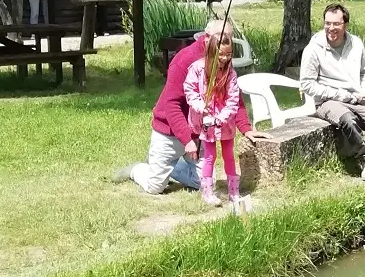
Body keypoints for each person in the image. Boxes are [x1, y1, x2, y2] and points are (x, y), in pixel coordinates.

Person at [112, 19, 272, 194]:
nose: (226, 46)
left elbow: (234, 98)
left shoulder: (223, 57)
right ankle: (138, 168)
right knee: (155, 187)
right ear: (207, 38)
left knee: (203, 183)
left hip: (199, 132)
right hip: (170, 132)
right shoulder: (184, 60)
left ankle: (171, 167)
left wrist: (246, 129)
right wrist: (186, 140)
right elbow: (171, 104)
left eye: (230, 39)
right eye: (222, 39)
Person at [299, 3, 365, 181]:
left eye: (336, 24)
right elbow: (306, 83)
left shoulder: (356, 43)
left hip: (356, 98)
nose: (331, 28)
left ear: (345, 25)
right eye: (327, 23)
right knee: (348, 120)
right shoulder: (314, 48)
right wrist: (340, 95)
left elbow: (364, 72)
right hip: (327, 101)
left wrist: (364, 90)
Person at [184, 32, 241, 206]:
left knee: (228, 155)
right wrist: (202, 107)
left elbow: (233, 100)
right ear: (211, 52)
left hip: (225, 124)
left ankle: (234, 192)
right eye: (221, 54)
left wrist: (221, 117)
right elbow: (190, 91)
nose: (224, 58)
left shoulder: (231, 74)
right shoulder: (197, 69)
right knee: (209, 156)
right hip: (207, 123)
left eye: (228, 54)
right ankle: (207, 193)